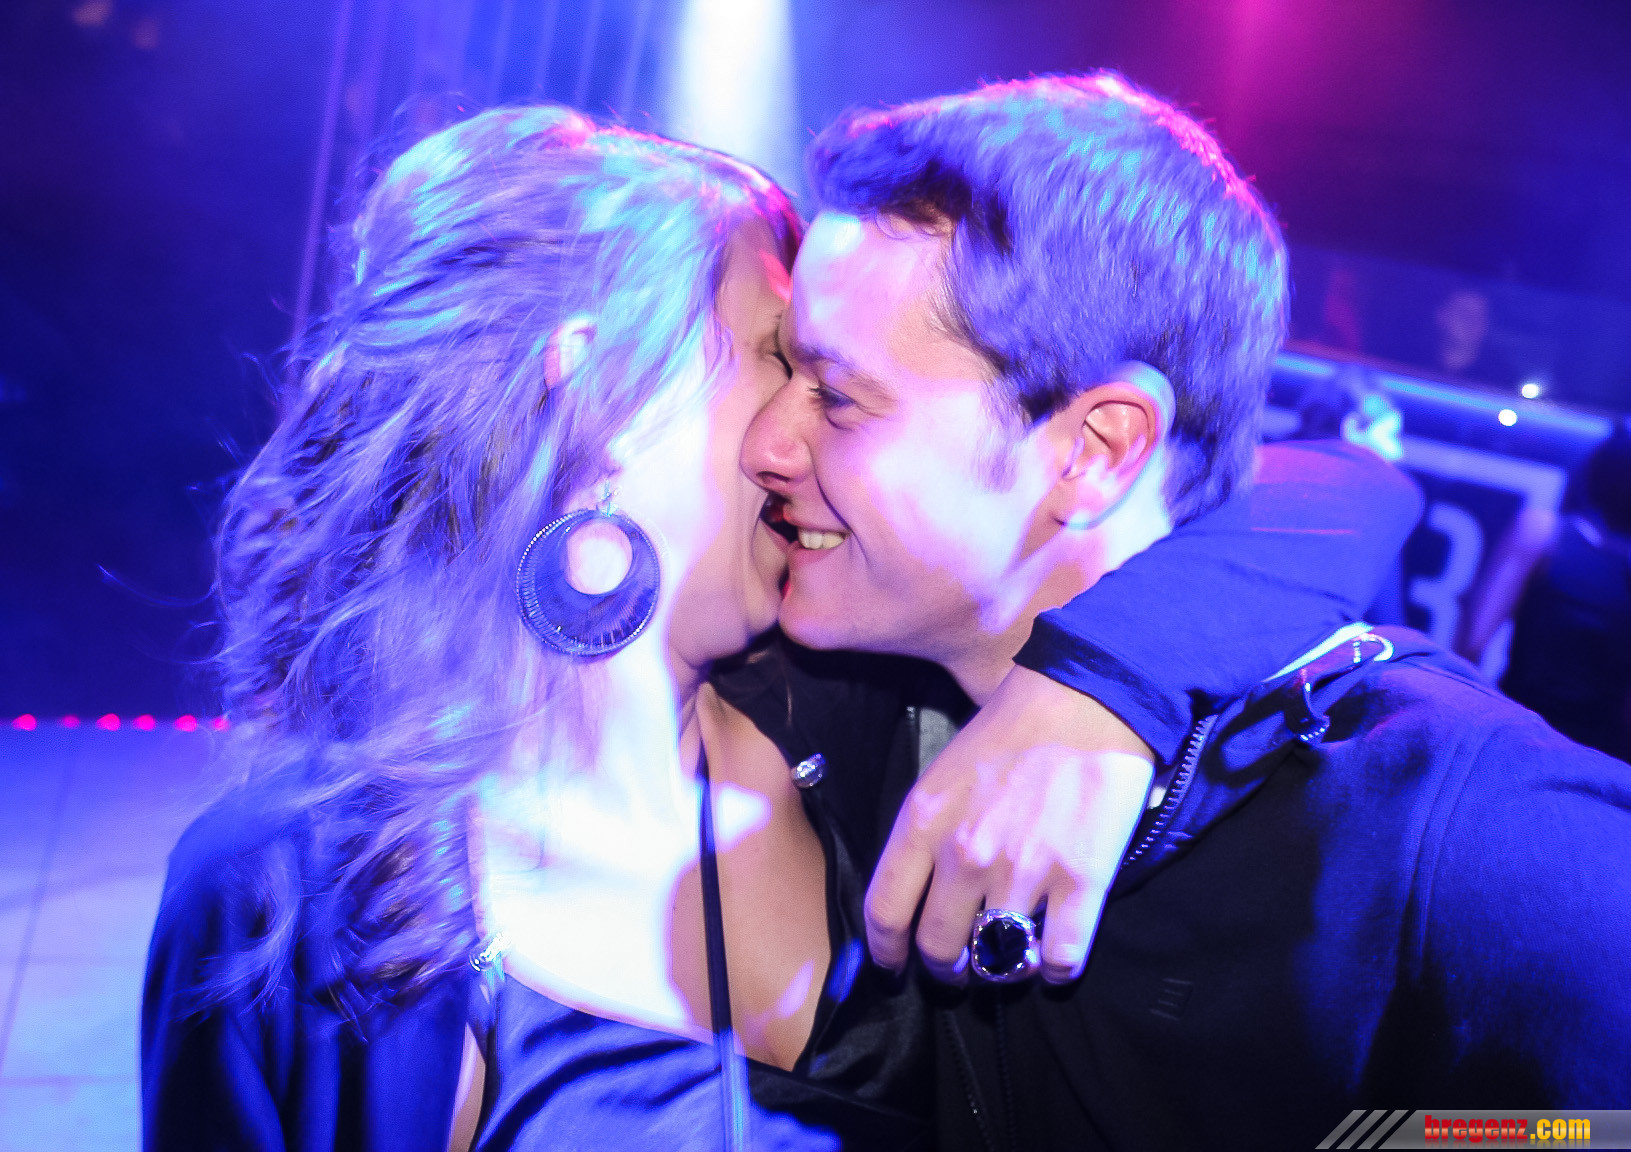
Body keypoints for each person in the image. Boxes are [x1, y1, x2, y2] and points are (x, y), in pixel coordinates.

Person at [141, 104, 1417, 1151]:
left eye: (834, 385)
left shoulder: (873, 716)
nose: (794, 431)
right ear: (597, 393)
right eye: (778, 353)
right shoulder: (292, 887)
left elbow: (1328, 488)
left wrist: (1094, 691)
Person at [742, 72, 1631, 1150]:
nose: (767, 443)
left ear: (1093, 450)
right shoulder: (863, 703)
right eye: (781, 371)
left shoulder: (1499, 842)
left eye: (838, 396)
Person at [1458, 415, 1631, 795]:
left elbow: (1471, 645)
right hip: (1597, 770)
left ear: (1602, 465)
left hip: (1512, 743)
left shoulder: (1540, 533)